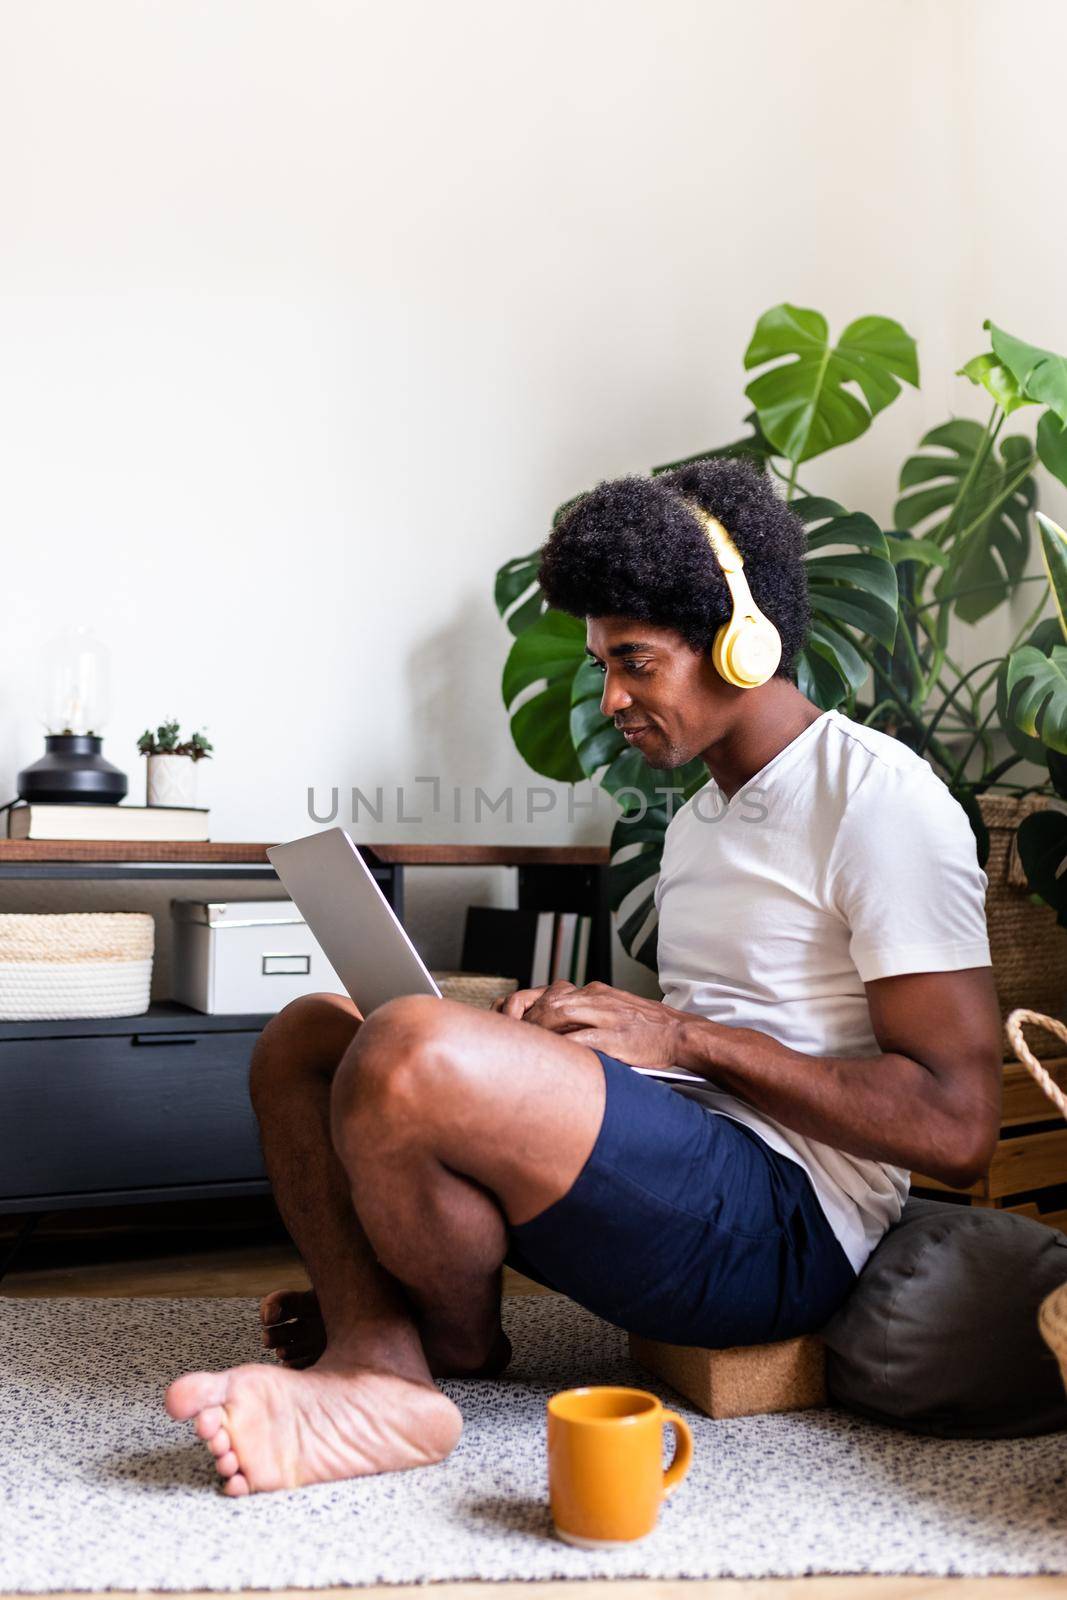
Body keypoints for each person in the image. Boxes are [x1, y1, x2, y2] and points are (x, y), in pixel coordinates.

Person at [165, 458, 1002, 1495]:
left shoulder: (876, 800)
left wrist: (679, 1038)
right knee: (306, 1036)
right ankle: (387, 1359)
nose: (610, 697)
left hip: (790, 1232)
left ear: (740, 642)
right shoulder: (697, 822)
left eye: (634, 663)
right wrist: (554, 1035)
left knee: (410, 1050)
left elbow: (956, 1127)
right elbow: (683, 1056)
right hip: (689, 1164)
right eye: (604, 663)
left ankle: (419, 1336)